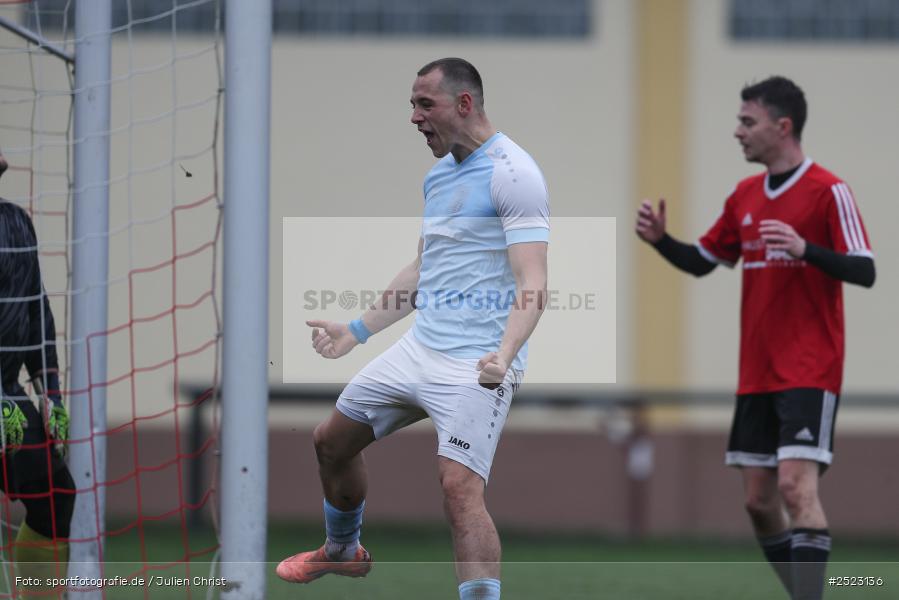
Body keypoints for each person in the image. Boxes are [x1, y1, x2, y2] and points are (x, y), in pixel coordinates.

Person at [276, 58, 549, 600]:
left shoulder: (513, 174)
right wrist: (357, 328)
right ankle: (342, 550)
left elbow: (534, 280)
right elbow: (426, 268)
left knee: (459, 488)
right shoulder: (439, 174)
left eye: (425, 104)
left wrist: (505, 352)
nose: (414, 117)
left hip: (478, 365)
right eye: (412, 105)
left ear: (464, 104)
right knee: (331, 442)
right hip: (419, 349)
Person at [636, 76, 875, 600]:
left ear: (782, 126)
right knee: (759, 503)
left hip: (811, 368)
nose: (737, 132)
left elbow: (865, 270)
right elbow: (705, 261)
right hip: (756, 373)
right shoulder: (743, 196)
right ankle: (808, 591)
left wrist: (804, 249)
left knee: (795, 486)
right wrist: (661, 242)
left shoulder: (827, 191)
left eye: (748, 122)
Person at [0, 148, 75, 594]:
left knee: (57, 498)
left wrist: (50, 391)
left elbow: (36, 311)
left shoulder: (14, 223)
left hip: (9, 396)